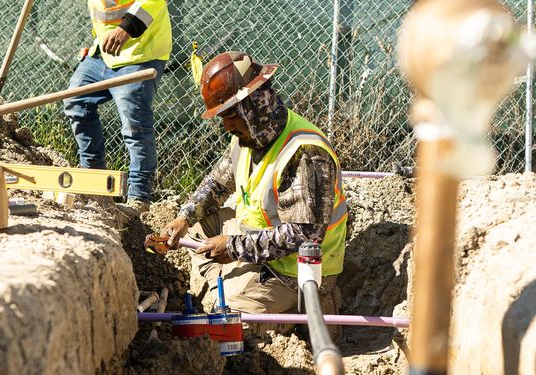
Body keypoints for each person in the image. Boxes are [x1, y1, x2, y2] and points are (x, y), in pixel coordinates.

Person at [162, 51, 347, 336]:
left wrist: (234, 247)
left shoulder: (305, 153)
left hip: (294, 271)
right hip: (258, 242)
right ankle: (226, 291)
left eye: (230, 116)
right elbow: (216, 183)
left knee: (232, 329)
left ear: (252, 106)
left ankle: (290, 310)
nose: (226, 127)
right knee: (198, 227)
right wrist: (183, 218)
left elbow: (304, 236)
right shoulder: (248, 136)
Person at [64, 0, 172, 218]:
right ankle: (94, 181)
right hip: (104, 52)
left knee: (134, 126)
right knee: (76, 100)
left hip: (140, 52)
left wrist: (126, 28)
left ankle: (139, 197)